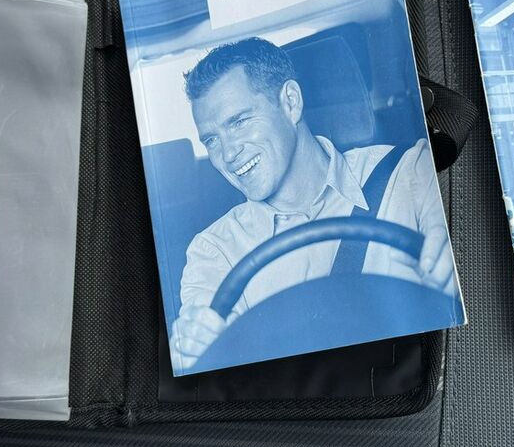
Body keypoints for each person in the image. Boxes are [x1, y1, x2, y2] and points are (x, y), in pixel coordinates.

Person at [170, 36, 456, 369]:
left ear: (290, 103)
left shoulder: (407, 172)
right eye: (211, 140)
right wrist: (198, 344)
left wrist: (447, 247)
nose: (228, 153)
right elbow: (210, 337)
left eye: (240, 121)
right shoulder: (214, 250)